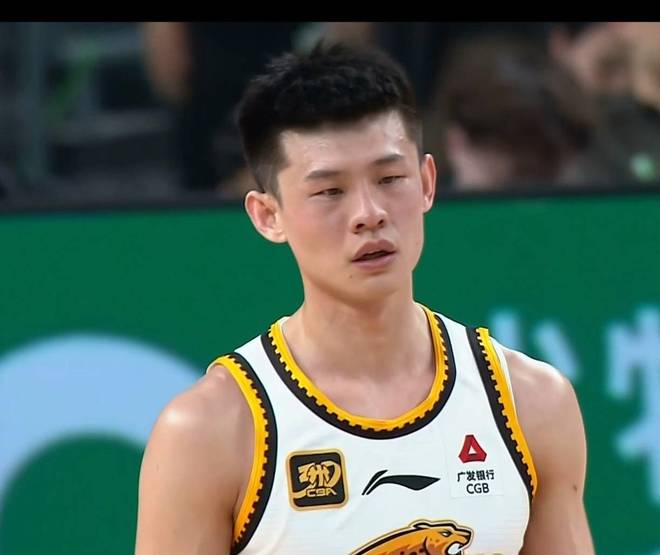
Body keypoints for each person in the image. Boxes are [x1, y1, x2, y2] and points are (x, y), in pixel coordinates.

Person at [134, 42, 594, 554]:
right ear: (268, 216)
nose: (369, 213)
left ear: (427, 182)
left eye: (390, 179)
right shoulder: (211, 431)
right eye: (330, 191)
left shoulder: (530, 402)